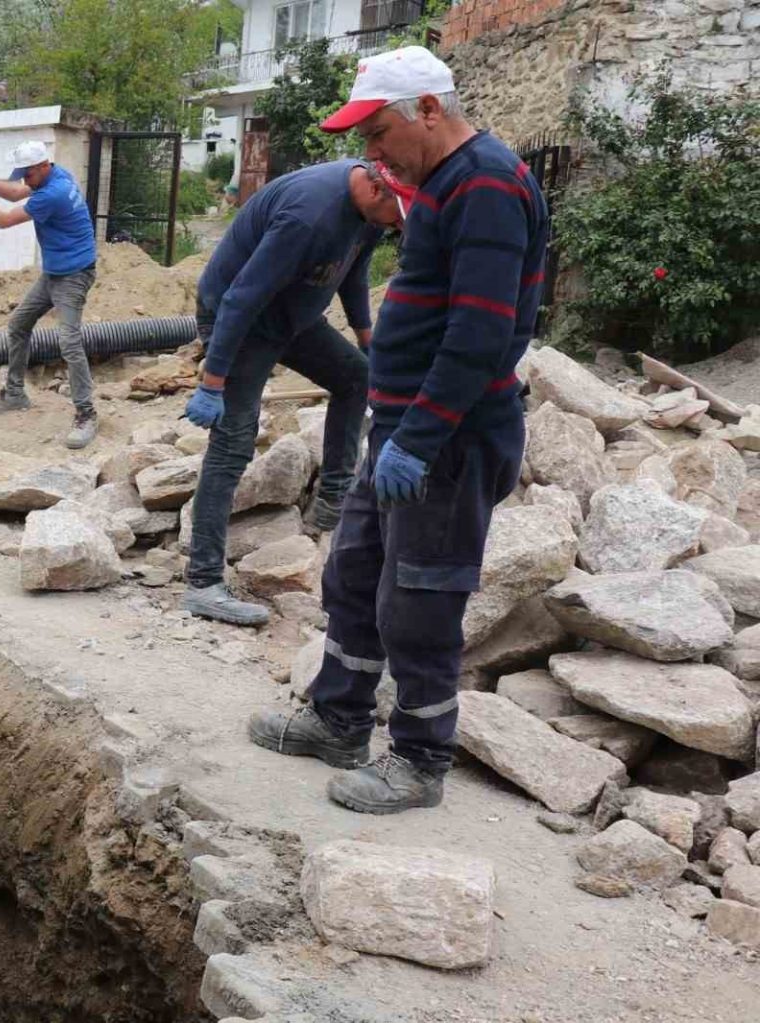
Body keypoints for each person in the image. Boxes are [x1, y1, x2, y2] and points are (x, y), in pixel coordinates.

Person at [248, 46, 547, 814]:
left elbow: (481, 333)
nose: (372, 155)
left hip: (448, 439)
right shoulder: (446, 181)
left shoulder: (485, 184)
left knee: (421, 597)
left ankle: (419, 757)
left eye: (378, 132)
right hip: (407, 426)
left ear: (429, 110)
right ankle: (339, 718)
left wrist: (419, 436)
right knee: (355, 573)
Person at [179, 160, 404, 628]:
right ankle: (203, 582)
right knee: (233, 442)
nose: (398, 226)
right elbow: (241, 297)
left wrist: (368, 341)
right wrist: (213, 381)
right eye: (397, 216)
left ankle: (331, 505)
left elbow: (353, 275)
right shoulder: (309, 216)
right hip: (240, 322)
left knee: (355, 377)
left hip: (292, 318)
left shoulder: (371, 215)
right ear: (376, 190)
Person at [0, 140, 100, 450]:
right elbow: (13, 193)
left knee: (69, 341)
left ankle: (86, 414)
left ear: (43, 166)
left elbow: (3, 220)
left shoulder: (53, 194)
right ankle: (15, 394)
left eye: (28, 174)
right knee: (18, 325)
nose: (24, 179)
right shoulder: (54, 175)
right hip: (54, 272)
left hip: (74, 275)